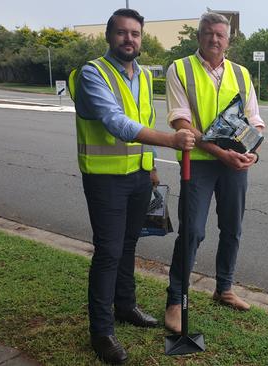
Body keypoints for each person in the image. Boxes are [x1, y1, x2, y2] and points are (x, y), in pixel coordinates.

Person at [68, 8, 195, 365]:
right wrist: (170, 140)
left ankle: (125, 306)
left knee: (127, 246)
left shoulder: (140, 74)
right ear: (109, 36)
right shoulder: (93, 73)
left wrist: (152, 164)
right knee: (108, 251)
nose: (129, 39)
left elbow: (142, 120)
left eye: (135, 34)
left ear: (141, 38)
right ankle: (102, 331)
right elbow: (116, 122)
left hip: (139, 175)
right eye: (122, 33)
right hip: (106, 179)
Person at [163, 12, 265, 333]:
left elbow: (254, 120)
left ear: (228, 40)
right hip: (198, 162)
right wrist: (221, 152)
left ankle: (224, 289)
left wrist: (252, 153)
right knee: (192, 231)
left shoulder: (241, 73)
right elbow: (181, 121)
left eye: (220, 35)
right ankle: (176, 301)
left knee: (232, 227)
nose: (214, 40)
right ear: (199, 36)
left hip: (234, 164)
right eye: (208, 33)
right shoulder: (180, 69)